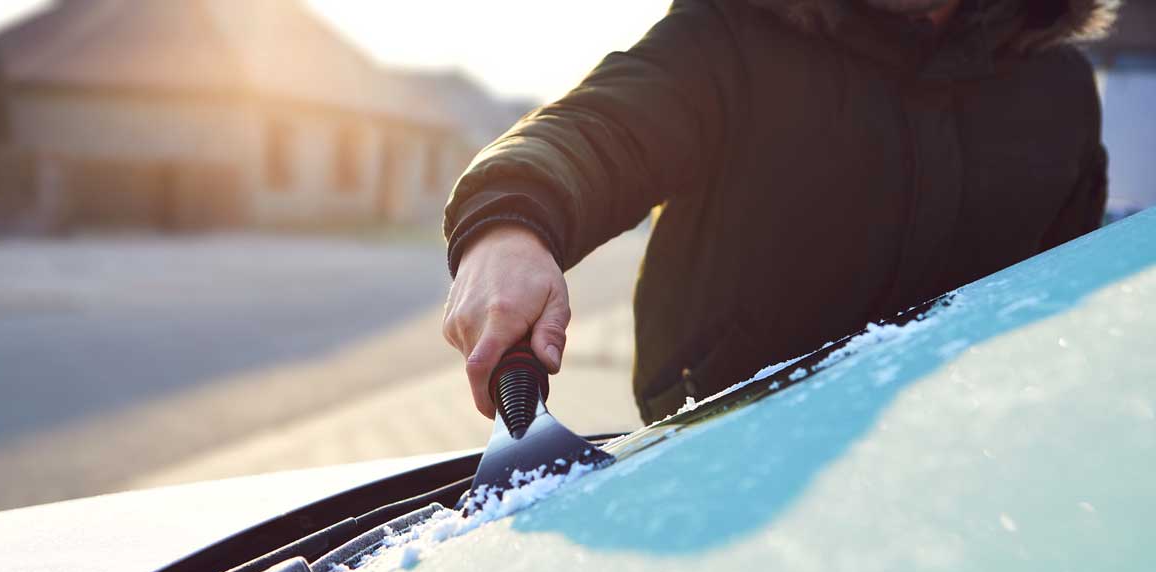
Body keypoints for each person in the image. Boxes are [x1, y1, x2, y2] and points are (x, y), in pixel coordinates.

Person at [441, 0, 1114, 423]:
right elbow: (599, 130)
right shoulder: (729, 34)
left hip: (958, 470)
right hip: (721, 459)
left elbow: (1066, 306)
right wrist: (507, 224)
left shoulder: (1058, 89)